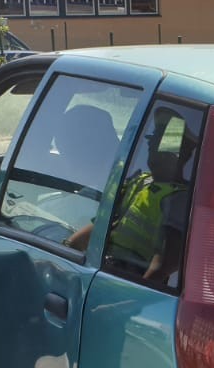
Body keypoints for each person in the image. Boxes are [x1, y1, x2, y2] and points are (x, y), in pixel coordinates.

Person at [65, 110, 198, 283]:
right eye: (153, 136)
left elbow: (164, 264)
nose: (150, 142)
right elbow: (100, 226)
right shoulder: (140, 182)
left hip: (127, 281)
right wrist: (66, 250)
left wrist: (129, 299)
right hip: (103, 270)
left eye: (159, 138)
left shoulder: (178, 198)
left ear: (177, 153)